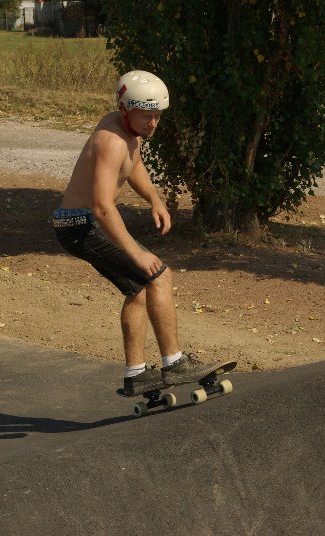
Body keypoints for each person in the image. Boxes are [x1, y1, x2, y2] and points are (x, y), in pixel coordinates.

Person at [53, 70, 218, 396]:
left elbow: (135, 163)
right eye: (146, 116)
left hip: (81, 223)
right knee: (159, 275)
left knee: (139, 290)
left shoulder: (127, 128)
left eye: (158, 116)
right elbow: (102, 207)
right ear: (125, 109)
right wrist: (135, 253)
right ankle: (174, 362)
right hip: (81, 223)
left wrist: (154, 199)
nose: (153, 123)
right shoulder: (111, 141)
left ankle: (137, 373)